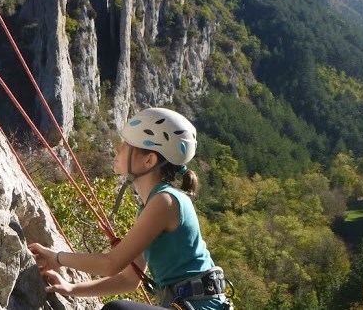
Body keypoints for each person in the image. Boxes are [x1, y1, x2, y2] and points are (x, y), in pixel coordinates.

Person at [28, 108, 231, 310]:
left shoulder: (165, 202)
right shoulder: (152, 205)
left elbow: (111, 264)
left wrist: (57, 257)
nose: (117, 149)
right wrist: (72, 289)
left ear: (148, 160)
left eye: (126, 145)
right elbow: (128, 279)